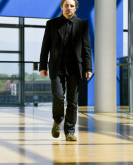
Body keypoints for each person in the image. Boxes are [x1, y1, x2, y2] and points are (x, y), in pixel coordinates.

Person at [39, 0, 92, 141]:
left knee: (72, 101)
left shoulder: (82, 25)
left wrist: (88, 68)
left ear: (75, 8)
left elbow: (86, 48)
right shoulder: (51, 24)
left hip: (75, 68)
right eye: (66, 5)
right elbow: (45, 46)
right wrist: (43, 66)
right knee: (58, 97)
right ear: (62, 7)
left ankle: (69, 131)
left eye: (72, 6)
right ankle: (57, 121)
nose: (69, 8)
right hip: (56, 67)